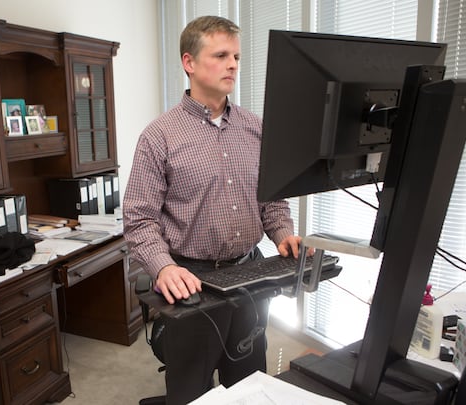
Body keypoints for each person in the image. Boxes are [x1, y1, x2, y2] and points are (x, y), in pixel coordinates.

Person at [123, 15, 303, 404]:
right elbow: (139, 220)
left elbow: (270, 201)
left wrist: (284, 233)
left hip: (251, 275)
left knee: (250, 383)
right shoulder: (160, 137)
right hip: (193, 283)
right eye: (221, 54)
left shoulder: (256, 129)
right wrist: (164, 267)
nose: (233, 64)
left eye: (236, 55)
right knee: (191, 391)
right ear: (189, 62)